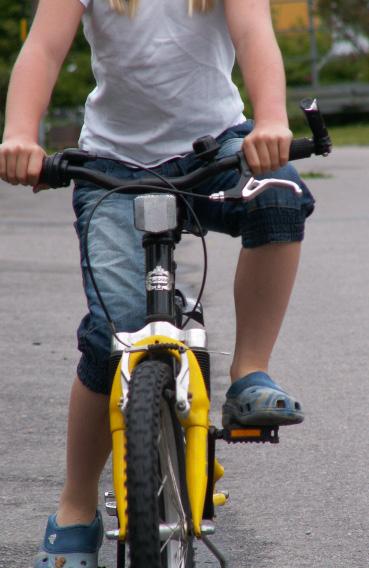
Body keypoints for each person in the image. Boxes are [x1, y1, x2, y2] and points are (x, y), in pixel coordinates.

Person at [0, 0, 315, 565]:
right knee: (110, 334)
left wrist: (270, 121)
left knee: (279, 194)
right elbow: (44, 50)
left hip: (215, 150)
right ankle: (75, 508)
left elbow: (255, 35)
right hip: (111, 168)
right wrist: (21, 134)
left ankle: (249, 374)